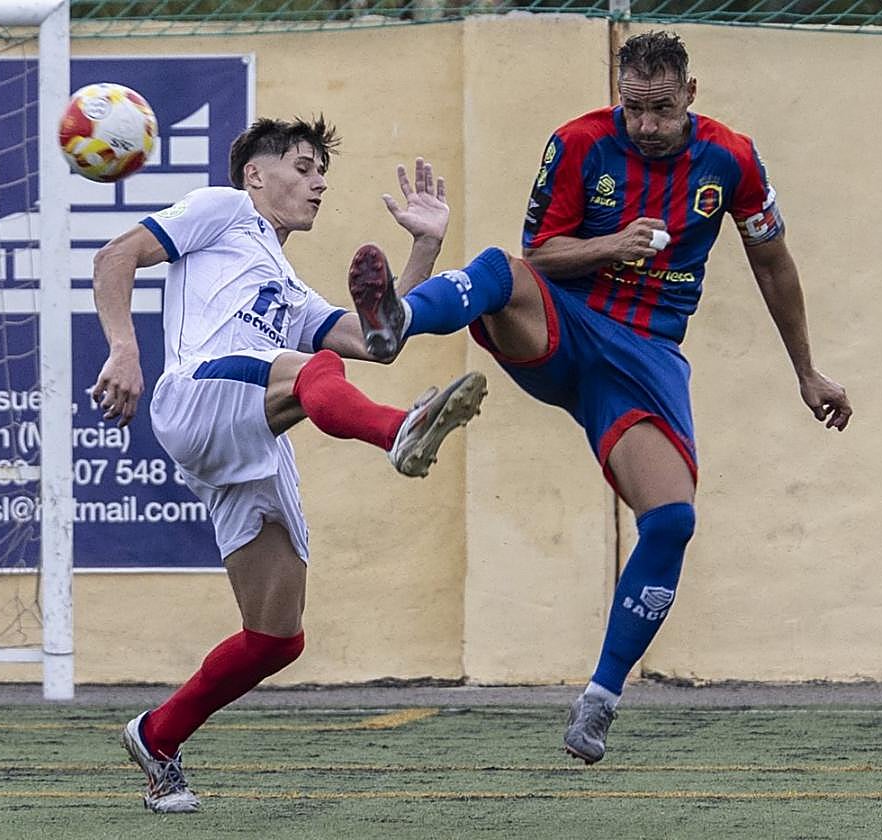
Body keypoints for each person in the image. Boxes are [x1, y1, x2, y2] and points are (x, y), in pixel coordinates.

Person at [348, 30, 852, 765]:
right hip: (562, 328)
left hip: (644, 362)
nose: (645, 124)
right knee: (499, 269)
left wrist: (807, 370)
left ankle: (599, 701)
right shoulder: (578, 143)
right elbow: (543, 252)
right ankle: (398, 322)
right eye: (633, 108)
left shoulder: (732, 159)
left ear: (690, 96)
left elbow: (772, 262)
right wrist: (612, 244)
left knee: (673, 520)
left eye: (660, 109)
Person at [90, 115, 486, 813]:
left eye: (320, 171)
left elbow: (381, 341)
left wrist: (423, 246)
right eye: (303, 167)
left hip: (248, 433)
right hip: (197, 393)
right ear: (255, 174)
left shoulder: (291, 291)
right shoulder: (223, 209)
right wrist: (124, 350)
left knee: (276, 637)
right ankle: (399, 430)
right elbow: (114, 257)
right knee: (316, 368)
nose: (319, 181)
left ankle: (157, 737)